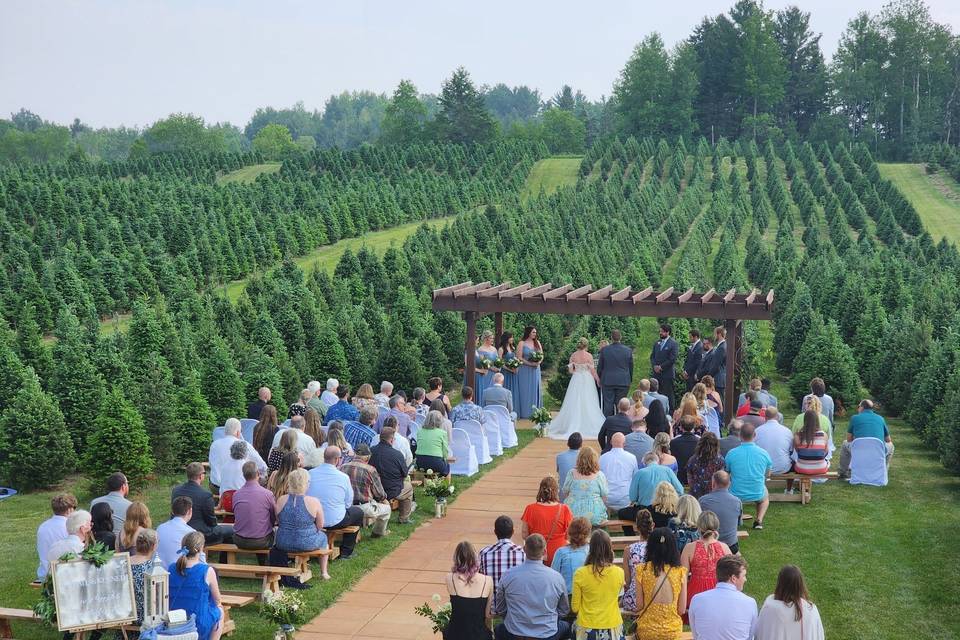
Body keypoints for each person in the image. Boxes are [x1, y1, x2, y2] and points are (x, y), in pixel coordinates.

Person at [494, 533, 570, 640]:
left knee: (499, 629)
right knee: (566, 626)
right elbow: (564, 610)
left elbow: (500, 609)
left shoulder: (508, 575)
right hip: (547, 634)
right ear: (544, 551)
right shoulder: (557, 577)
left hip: (515, 633)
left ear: (524, 549)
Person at [307, 446, 364, 559]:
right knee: (358, 512)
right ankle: (346, 551)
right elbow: (348, 502)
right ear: (338, 459)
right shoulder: (343, 477)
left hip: (314, 518)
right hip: (336, 520)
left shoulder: (310, 473)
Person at [275, 469, 331, 581]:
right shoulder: (314, 501)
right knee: (324, 538)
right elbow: (320, 525)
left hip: (283, 541)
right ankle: (324, 572)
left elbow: (278, 520)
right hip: (306, 543)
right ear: (306, 483)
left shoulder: (281, 499)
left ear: (289, 482)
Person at [168, 531, 224, 640]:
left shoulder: (171, 568)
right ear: (201, 548)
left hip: (174, 619)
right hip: (197, 623)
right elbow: (217, 600)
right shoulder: (207, 570)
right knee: (220, 610)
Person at [634, 527, 687, 639]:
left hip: (647, 631)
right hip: (672, 631)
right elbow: (681, 610)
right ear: (673, 548)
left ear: (650, 547)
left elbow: (639, 605)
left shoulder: (641, 570)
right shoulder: (680, 572)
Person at [548, 337, 605, 440]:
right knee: (588, 400)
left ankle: (571, 423)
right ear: (586, 345)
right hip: (587, 380)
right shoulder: (589, 356)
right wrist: (597, 380)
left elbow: (570, 371)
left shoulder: (573, 355)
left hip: (576, 379)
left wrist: (577, 373)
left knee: (574, 400)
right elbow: (592, 371)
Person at [571, 530, 625, 640]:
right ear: (609, 547)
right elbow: (617, 598)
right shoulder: (619, 572)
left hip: (586, 629)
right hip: (613, 629)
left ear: (591, 549)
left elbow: (575, 608)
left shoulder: (580, 573)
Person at [688, 555, 757, 640]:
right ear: (733, 578)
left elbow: (696, 635)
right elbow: (750, 636)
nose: (745, 579)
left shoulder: (697, 599)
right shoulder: (750, 603)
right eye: (744, 575)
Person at [680, 511, 733, 621]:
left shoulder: (689, 548)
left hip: (694, 594)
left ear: (699, 526)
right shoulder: (725, 548)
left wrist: (682, 602)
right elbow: (732, 578)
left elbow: (682, 578)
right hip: (719, 594)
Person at [618, 452, 684, 535]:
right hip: (667, 509)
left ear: (644, 463)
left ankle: (630, 536)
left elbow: (633, 497)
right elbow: (680, 490)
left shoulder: (639, 473)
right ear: (658, 461)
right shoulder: (668, 470)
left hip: (645, 511)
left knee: (622, 512)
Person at [755, 565, 825, 640]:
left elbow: (759, 633)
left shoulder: (769, 607)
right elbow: (819, 636)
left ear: (780, 584)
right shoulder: (811, 610)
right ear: (800, 584)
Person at [441, 542, 494, 640]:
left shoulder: (449, 578)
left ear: (456, 558)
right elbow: (487, 615)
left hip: (455, 634)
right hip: (479, 634)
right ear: (475, 558)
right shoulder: (488, 580)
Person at [725, 422, 773, 529]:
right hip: (757, 491)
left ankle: (737, 518)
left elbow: (726, 472)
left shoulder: (731, 453)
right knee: (765, 499)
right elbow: (768, 474)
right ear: (754, 435)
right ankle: (759, 520)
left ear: (740, 435)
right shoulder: (764, 453)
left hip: (736, 492)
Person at [172, 463, 233, 544]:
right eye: (204, 473)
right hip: (200, 533)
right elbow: (211, 522)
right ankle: (225, 555)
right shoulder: (205, 495)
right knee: (230, 529)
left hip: (178, 529)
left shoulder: (176, 490)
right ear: (201, 476)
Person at [342, 443, 392, 537]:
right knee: (387, 509)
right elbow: (379, 493)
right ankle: (378, 533)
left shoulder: (343, 467)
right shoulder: (370, 469)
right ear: (367, 457)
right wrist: (384, 500)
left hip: (345, 506)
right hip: (363, 507)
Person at [521, 476, 573, 565]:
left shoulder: (530, 509)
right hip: (559, 553)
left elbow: (525, 534)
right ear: (556, 491)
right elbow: (569, 535)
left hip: (536, 552)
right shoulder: (564, 509)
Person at [370, 426, 416, 523]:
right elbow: (404, 473)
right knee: (408, 487)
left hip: (373, 489)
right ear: (391, 440)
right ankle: (404, 518)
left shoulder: (371, 451)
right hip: (391, 490)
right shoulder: (397, 454)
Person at [838, 399, 894, 479]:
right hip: (877, 451)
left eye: (858, 407)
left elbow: (849, 439)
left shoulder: (855, 418)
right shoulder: (880, 419)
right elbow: (888, 440)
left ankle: (843, 472)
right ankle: (882, 471)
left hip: (859, 451)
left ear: (862, 407)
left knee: (845, 443)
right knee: (891, 446)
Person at [211, 418, 267, 493]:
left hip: (216, 486)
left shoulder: (214, 444)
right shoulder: (244, 445)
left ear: (225, 431)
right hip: (240, 488)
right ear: (238, 433)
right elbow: (262, 466)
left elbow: (212, 465)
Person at [232, 461, 277, 551]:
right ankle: (269, 562)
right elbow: (274, 517)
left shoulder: (236, 494)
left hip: (239, 540)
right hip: (261, 540)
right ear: (258, 474)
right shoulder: (267, 494)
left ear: (244, 475)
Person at [698, 471, 744, 554]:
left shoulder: (703, 501)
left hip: (708, 545)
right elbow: (738, 524)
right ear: (729, 484)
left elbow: (698, 524)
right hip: (731, 546)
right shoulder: (737, 501)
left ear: (713, 483)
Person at [561, 446, 608, 526]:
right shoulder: (599, 475)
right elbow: (604, 496)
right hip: (594, 513)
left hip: (573, 513)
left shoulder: (571, 473)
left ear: (579, 459)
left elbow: (565, 492)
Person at [620, 508, 655, 612]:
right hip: (655, 598)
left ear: (636, 527)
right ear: (652, 526)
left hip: (634, 599)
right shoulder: (658, 548)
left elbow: (628, 581)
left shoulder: (628, 550)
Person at [478, 515, 525, 591]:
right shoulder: (523, 554)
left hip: (492, 602)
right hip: (515, 602)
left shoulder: (484, 553)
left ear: (495, 532)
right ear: (513, 531)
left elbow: (479, 579)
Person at [36, 493, 76, 581]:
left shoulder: (43, 526)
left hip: (44, 571)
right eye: (74, 508)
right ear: (69, 510)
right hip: (63, 574)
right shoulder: (69, 527)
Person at [551, 517, 591, 595]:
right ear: (588, 532)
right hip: (587, 595)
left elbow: (553, 576)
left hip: (568, 595)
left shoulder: (561, 552)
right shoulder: (592, 550)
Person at [598, 329, 633, 417]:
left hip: (608, 381)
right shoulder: (628, 350)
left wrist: (599, 378)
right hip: (623, 380)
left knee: (608, 405)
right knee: (621, 405)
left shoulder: (605, 350)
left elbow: (600, 367)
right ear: (620, 337)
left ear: (611, 338)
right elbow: (631, 367)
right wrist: (629, 379)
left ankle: (608, 423)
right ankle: (620, 423)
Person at [157, 496, 200, 569]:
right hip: (179, 572)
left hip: (159, 571)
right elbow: (199, 559)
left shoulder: (160, 528)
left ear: (173, 511)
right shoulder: (191, 533)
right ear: (190, 511)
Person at [599, 433, 638, 511]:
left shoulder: (602, 458)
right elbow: (635, 478)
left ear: (610, 442)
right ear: (624, 444)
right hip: (626, 498)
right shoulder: (632, 458)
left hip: (607, 499)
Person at [129, 528, 159, 625]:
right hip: (146, 619)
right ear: (154, 546)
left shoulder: (123, 562)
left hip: (126, 615)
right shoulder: (152, 567)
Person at [790, 395, 833, 459]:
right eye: (805, 403)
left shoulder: (825, 419)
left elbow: (793, 435)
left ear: (816, 404)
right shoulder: (825, 419)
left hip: (803, 452)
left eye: (809, 403)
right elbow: (828, 437)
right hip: (817, 452)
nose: (806, 405)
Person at [755, 407, 795, 476]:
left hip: (762, 468)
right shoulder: (787, 431)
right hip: (783, 468)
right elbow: (791, 451)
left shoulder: (757, 431)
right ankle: (789, 487)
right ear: (777, 416)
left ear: (765, 416)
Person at [516, 325, 544, 419]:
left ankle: (535, 413)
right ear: (528, 332)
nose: (535, 334)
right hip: (525, 369)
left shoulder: (537, 343)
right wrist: (530, 363)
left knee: (535, 388)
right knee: (525, 390)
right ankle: (525, 413)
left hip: (535, 370)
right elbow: (519, 357)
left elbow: (542, 355)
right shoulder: (521, 343)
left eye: (535, 332)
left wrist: (538, 362)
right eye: (533, 332)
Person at [686, 432, 725, 498]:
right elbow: (721, 480)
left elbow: (689, 480)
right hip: (714, 495)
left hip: (696, 495)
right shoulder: (720, 460)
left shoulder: (692, 459)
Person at [651, 323, 679, 412]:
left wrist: (661, 367)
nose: (660, 333)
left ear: (667, 332)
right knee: (657, 394)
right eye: (660, 331)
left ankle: (670, 413)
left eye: (662, 332)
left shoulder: (673, 344)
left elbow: (672, 359)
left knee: (668, 394)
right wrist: (654, 366)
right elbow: (652, 356)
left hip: (667, 374)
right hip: (657, 374)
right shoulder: (657, 343)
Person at [217, 440, 251, 511]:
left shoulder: (224, 466)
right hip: (241, 502)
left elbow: (222, 486)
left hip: (226, 502)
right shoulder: (246, 466)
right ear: (245, 451)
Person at [793, 410, 830, 476]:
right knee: (827, 461)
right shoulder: (824, 435)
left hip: (801, 468)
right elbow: (826, 451)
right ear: (817, 420)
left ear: (805, 420)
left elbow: (797, 451)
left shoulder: (797, 435)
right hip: (820, 468)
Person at [416, 410, 452, 475]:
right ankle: (446, 483)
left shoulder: (420, 431)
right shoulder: (442, 433)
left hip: (420, 462)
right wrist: (445, 459)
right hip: (436, 462)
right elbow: (445, 451)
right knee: (447, 466)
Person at [670, 415, 700, 485]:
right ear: (694, 427)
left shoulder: (674, 442)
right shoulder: (699, 441)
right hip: (694, 476)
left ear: (681, 427)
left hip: (680, 477)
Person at [475, 329, 500, 407]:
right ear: (486, 339)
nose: (493, 340)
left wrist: (499, 366)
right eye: (491, 338)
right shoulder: (480, 350)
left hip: (495, 374)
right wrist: (493, 369)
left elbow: (497, 360)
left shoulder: (494, 349)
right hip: (486, 374)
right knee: (486, 392)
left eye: (493, 338)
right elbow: (483, 363)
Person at [498, 331, 520, 410]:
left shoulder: (513, 348)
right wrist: (509, 369)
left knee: (513, 391)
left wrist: (516, 367)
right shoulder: (501, 349)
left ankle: (514, 409)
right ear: (506, 338)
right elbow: (500, 363)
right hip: (505, 373)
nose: (512, 339)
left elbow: (516, 359)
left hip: (513, 373)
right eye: (511, 337)